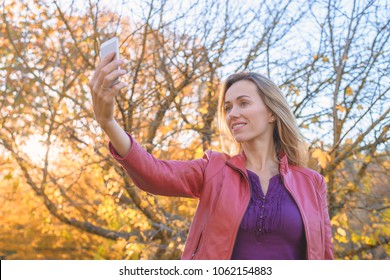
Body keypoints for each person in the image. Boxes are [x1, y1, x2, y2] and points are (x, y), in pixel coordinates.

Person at [89, 52, 334, 260]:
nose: (232, 114)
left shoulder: (312, 183)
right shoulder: (215, 169)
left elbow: (325, 256)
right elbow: (154, 173)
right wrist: (108, 122)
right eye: (228, 108)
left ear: (271, 113)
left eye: (243, 103)